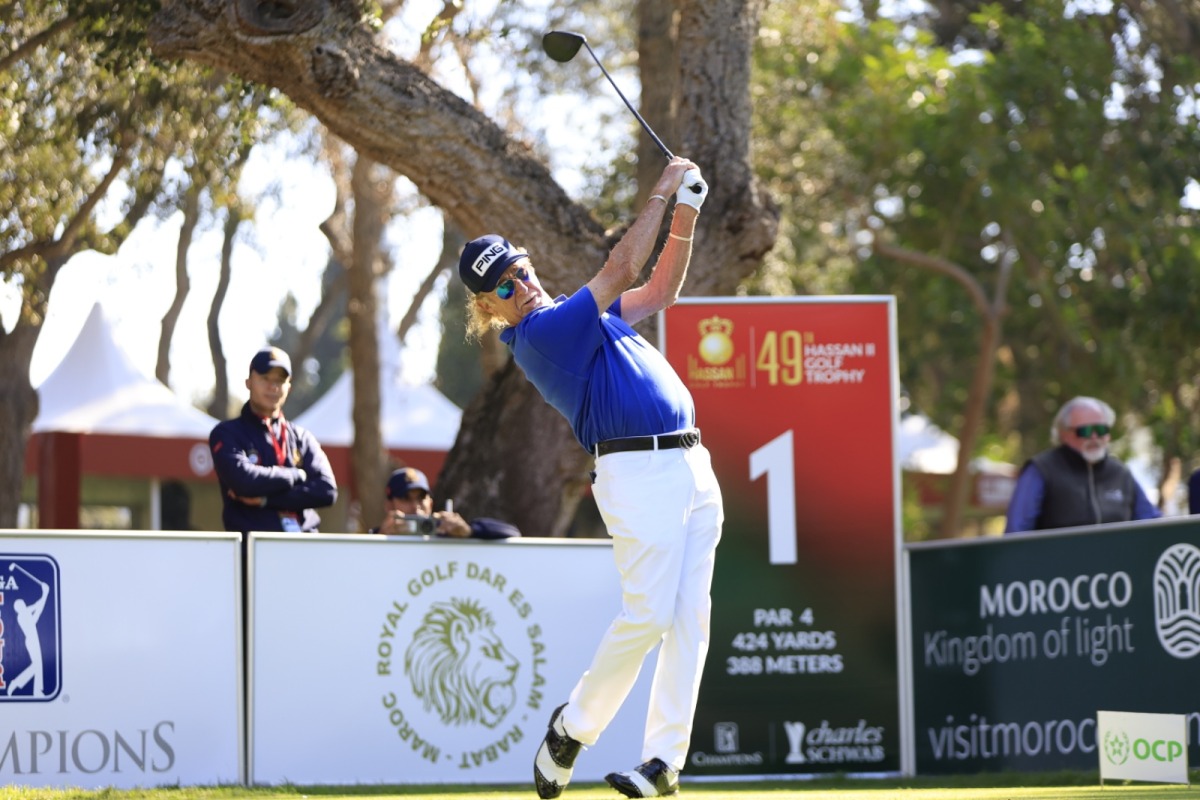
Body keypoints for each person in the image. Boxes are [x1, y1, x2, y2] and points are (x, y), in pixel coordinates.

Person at [457, 156, 722, 799]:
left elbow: (660, 291)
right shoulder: (543, 333)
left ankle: (663, 763)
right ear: (492, 307)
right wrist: (662, 190)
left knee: (689, 618)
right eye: (505, 286)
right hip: (637, 472)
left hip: (690, 464)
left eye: (519, 269)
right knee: (649, 614)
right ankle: (572, 727)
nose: (521, 283)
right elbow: (621, 270)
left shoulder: (585, 320)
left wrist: (685, 210)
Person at [209, 347, 337, 532]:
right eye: (265, 378)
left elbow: (327, 491)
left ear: (289, 387)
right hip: (254, 551)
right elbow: (243, 482)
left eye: (279, 380)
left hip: (304, 549)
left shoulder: (302, 438)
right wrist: (296, 475)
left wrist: (266, 500)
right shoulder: (227, 433)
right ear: (249, 382)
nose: (273, 387)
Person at [1004, 395, 1161, 534]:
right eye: (1084, 431)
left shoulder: (1120, 473)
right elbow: (1017, 532)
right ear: (1063, 434)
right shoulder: (1041, 470)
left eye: (1100, 430)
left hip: (1117, 565)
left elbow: (1151, 522)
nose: (1094, 437)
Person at [371, 466, 521, 539]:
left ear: (430, 503)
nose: (416, 506)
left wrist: (469, 531)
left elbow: (512, 533)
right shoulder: (378, 536)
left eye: (421, 498)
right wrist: (381, 538)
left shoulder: (442, 531)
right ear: (389, 506)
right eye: (405, 498)